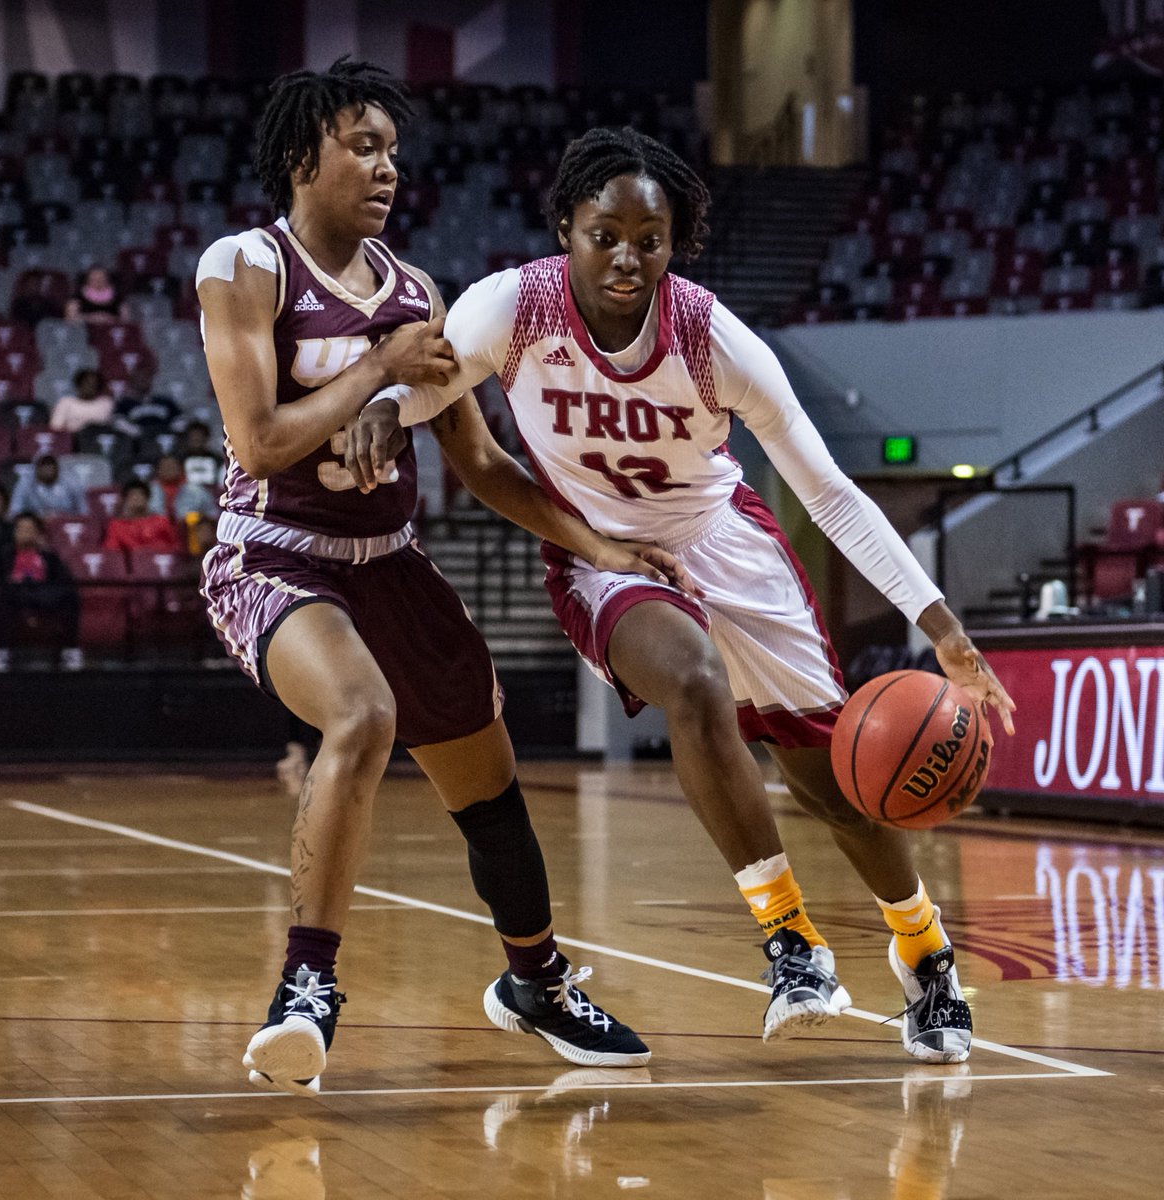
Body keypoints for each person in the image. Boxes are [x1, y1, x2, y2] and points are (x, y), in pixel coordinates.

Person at [361, 127, 1018, 1065]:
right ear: (566, 229)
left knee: (839, 788)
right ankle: (792, 944)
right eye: (604, 234)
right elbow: (433, 382)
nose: (627, 256)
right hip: (602, 555)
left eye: (650, 238)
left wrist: (940, 624)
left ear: (676, 242)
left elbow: (829, 490)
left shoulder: (713, 339)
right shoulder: (515, 305)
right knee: (697, 682)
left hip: (727, 543)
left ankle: (927, 956)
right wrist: (386, 412)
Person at [195, 60, 695, 1096]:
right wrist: (378, 367)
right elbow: (255, 442)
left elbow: (479, 464)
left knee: (490, 781)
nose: (388, 166)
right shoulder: (246, 266)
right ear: (304, 158)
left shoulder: (417, 291)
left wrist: (601, 549)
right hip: (272, 551)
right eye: (363, 146)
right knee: (361, 715)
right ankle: (306, 989)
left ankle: (539, 982)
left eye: (392, 148)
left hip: (391, 563)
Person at [0, 511, 82, 672]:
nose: (25, 533)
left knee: (70, 595)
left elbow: (65, 578)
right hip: (15, 593)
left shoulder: (48, 555)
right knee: (2, 596)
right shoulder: (4, 553)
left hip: (43, 593)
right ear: (14, 533)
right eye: (21, 529)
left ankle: (70, 650)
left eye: (30, 529)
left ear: (38, 533)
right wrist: (9, 580)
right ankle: (0, 651)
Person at [102, 479, 182, 554]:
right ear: (125, 500)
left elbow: (176, 547)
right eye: (132, 495)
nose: (136, 498)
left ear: (147, 498)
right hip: (130, 567)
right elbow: (111, 553)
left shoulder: (161, 521)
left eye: (140, 494)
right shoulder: (116, 526)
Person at [110, 364, 183, 438]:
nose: (143, 380)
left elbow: (180, 421)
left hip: (164, 441)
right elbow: (118, 422)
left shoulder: (165, 402)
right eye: (139, 377)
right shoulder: (124, 404)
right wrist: (137, 432)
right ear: (132, 381)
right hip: (136, 444)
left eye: (146, 377)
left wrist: (167, 431)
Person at [9, 454, 87, 517]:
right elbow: (15, 511)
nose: (47, 469)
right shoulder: (25, 483)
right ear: (36, 469)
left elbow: (83, 511)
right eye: (43, 465)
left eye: (50, 465)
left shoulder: (71, 482)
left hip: (63, 523)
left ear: (57, 469)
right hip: (35, 524)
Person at [148, 453, 218, 523]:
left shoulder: (199, 491)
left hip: (191, 530)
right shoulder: (148, 491)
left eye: (172, 466)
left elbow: (212, 514)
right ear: (157, 470)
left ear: (180, 468)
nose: (169, 469)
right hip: (156, 531)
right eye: (165, 466)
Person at [49, 368, 114, 433]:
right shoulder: (66, 402)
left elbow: (111, 427)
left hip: (97, 440)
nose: (91, 387)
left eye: (94, 384)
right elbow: (55, 427)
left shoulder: (106, 403)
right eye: (87, 383)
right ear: (78, 384)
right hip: (72, 439)